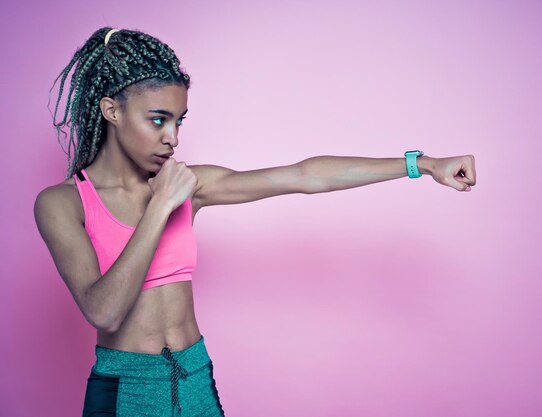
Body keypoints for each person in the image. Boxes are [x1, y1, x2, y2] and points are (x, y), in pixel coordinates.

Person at [34, 27, 476, 417]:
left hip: (195, 379)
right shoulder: (63, 203)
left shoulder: (191, 185)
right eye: (158, 120)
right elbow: (103, 310)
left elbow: (304, 175)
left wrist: (423, 164)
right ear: (112, 111)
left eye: (178, 120)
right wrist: (160, 206)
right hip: (124, 392)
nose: (173, 137)